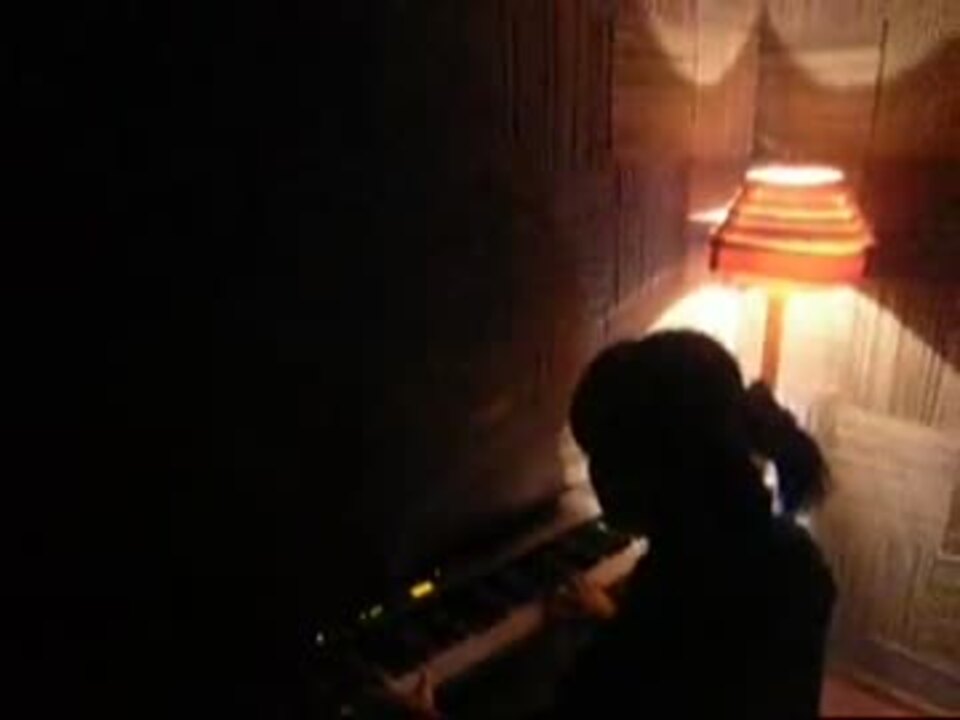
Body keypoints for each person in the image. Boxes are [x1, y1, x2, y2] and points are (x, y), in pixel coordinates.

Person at [556, 330, 836, 719]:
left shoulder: (675, 586)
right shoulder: (795, 557)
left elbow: (613, 690)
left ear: (663, 462)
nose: (594, 476)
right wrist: (618, 621)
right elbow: (701, 666)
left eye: (603, 455)